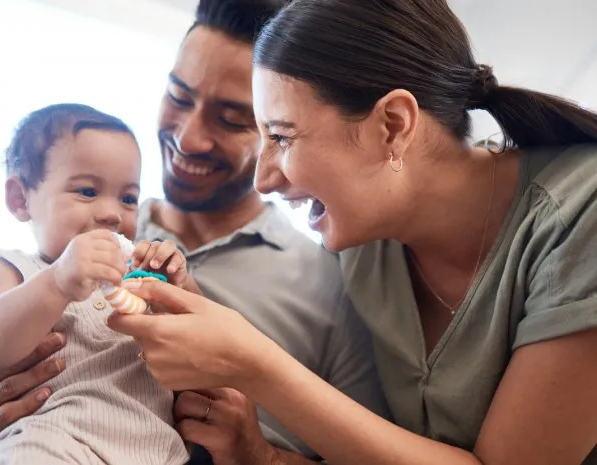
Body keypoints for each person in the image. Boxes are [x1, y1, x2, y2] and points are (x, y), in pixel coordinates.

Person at [105, 0, 597, 464]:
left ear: (392, 125)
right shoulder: (362, 249)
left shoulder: (581, 214)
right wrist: (258, 453)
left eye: (281, 136)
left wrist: (253, 363)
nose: (263, 180)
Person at [0, 1, 388, 464]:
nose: (189, 138)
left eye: (232, 118)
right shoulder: (69, 240)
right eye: (178, 97)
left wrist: (258, 454)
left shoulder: (329, 285)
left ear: (277, 133)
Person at [0, 102, 199, 465]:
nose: (112, 213)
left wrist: (179, 289)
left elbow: (201, 347)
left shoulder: (138, 276)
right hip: (54, 441)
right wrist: (56, 283)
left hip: (156, 450)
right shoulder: (14, 268)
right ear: (20, 198)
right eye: (87, 191)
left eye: (128, 198)